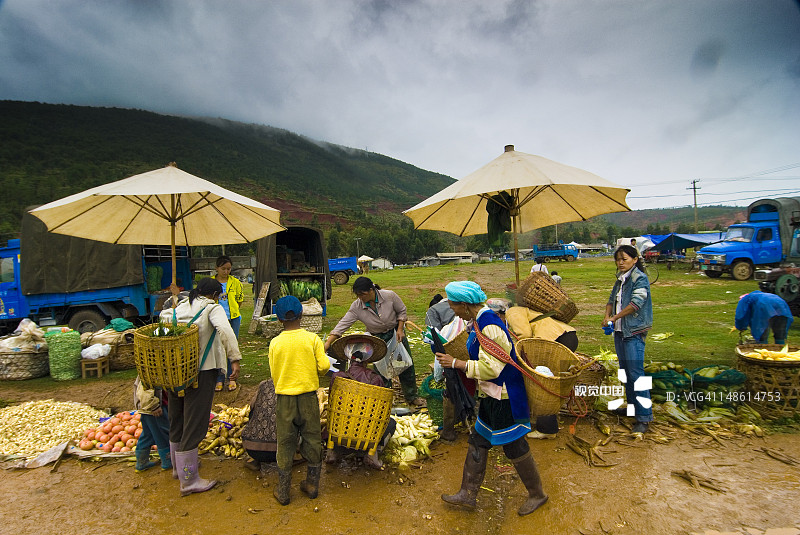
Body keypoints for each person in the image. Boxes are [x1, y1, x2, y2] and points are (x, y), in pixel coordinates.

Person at [435, 281, 548, 516]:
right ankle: (468, 493)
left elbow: (493, 369)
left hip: (505, 394)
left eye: (453, 305)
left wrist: (455, 363)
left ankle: (537, 494)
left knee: (514, 445)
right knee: (479, 439)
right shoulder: (477, 322)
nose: (452, 309)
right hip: (491, 393)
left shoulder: (489, 326)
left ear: (465, 305)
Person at [159, 277, 242, 496]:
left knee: (177, 418)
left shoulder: (175, 310)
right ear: (215, 295)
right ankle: (189, 481)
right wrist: (234, 358)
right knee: (195, 422)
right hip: (202, 373)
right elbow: (225, 330)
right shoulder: (211, 308)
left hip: (175, 372)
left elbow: (160, 331)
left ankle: (179, 469)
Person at [324, 277, 425, 407]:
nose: (360, 297)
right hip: (377, 339)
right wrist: (328, 343)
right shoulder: (357, 306)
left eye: (362, 294)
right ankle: (386, 400)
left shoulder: (389, 296)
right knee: (381, 370)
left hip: (395, 334)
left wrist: (400, 329)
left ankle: (412, 397)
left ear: (372, 290)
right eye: (358, 295)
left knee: (405, 365)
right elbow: (343, 324)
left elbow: (401, 311)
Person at [269, 296, 331, 505]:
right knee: (312, 437)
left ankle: (284, 491)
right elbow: (323, 367)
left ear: (278, 320)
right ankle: (312, 485)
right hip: (308, 398)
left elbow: (273, 371)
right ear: (302, 315)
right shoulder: (312, 339)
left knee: (285, 441)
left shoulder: (275, 343)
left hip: (284, 398)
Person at [505, 306, 578, 439]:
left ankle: (547, 429)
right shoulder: (526, 310)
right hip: (567, 336)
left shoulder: (512, 311)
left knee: (543, 384)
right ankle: (548, 421)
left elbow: (524, 335)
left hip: (554, 340)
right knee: (552, 382)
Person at [603, 244, 653, 434]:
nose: (620, 262)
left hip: (634, 331)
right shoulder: (620, 280)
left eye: (624, 259)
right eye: (618, 259)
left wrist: (615, 317)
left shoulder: (639, 279)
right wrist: (607, 316)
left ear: (634, 259)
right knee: (626, 372)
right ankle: (633, 408)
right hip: (619, 331)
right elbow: (610, 301)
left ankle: (644, 417)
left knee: (636, 374)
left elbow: (635, 304)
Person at [214, 255, 244, 392]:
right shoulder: (212, 283)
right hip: (218, 320)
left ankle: (232, 378)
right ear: (217, 268)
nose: (226, 272)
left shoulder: (235, 282)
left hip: (234, 318)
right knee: (219, 348)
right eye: (223, 269)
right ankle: (219, 378)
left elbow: (239, 299)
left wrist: (233, 311)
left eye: (229, 269)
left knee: (232, 347)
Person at [132, 377, 172, 473]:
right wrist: (154, 406)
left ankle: (142, 463)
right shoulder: (148, 371)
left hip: (146, 409)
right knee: (162, 434)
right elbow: (145, 391)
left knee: (147, 434)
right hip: (154, 408)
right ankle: (167, 462)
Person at [241, 379, 279, 470]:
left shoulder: (263, 384)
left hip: (252, 449)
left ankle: (255, 460)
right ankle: (294, 458)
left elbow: (252, 409)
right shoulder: (294, 387)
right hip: (281, 451)